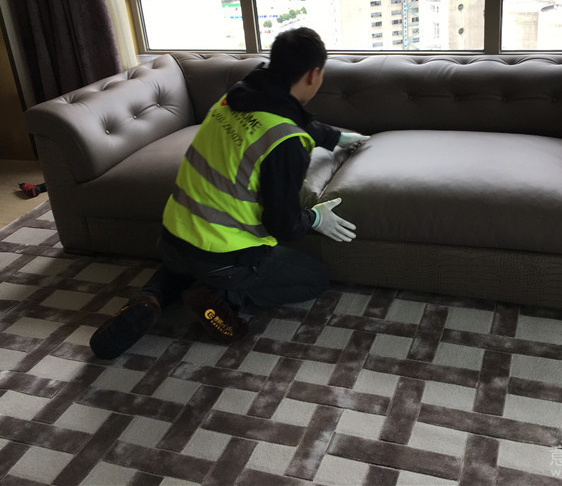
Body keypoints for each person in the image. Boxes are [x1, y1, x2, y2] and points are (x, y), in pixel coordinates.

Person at [90, 27, 369, 359]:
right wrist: (316, 217)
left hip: (173, 237)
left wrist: (333, 138)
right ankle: (220, 297)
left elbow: (281, 113)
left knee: (184, 267)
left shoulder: (235, 98)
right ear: (313, 75)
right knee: (313, 279)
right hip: (227, 256)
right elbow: (283, 225)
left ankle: (148, 299)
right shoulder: (286, 142)